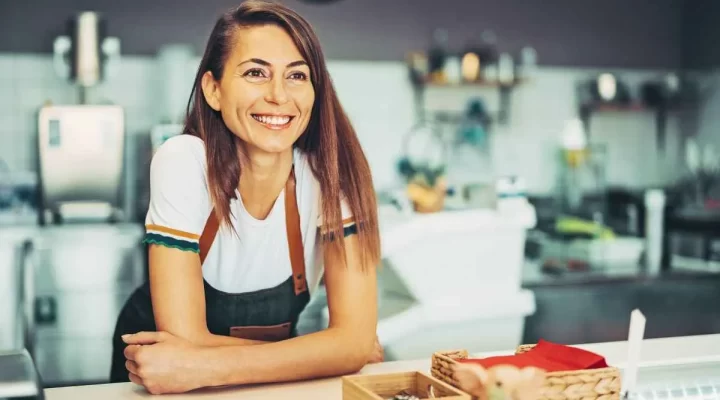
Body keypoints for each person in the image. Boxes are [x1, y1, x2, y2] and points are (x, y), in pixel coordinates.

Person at [109, 0, 382, 394]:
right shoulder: (183, 160)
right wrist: (326, 353)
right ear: (213, 90)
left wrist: (200, 363)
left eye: (297, 76)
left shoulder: (335, 174)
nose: (278, 95)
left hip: (246, 386)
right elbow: (184, 338)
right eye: (255, 73)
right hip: (156, 381)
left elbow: (354, 343)